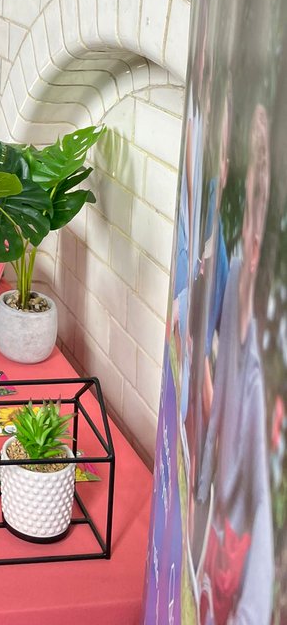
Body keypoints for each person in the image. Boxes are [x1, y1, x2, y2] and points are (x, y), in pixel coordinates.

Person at [195, 102, 274, 625]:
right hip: (204, 532)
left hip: (239, 570)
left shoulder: (275, 324)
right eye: (256, 158)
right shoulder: (235, 262)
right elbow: (206, 358)